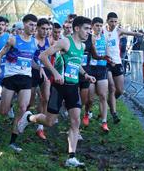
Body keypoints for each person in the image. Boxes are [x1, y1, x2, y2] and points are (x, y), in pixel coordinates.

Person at [17, 16, 96, 167]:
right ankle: (29, 118)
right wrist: (55, 73)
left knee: (75, 120)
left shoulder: (83, 46)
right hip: (59, 87)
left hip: (73, 87)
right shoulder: (65, 42)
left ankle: (71, 157)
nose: (88, 32)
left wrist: (85, 74)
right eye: (86, 28)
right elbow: (43, 56)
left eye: (90, 29)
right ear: (77, 28)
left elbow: (76, 63)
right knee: (49, 121)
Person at [0, 14, 39, 152]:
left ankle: (13, 141)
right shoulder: (13, 40)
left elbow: (31, 61)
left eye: (35, 25)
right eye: (30, 24)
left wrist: (42, 69)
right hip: (10, 77)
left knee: (22, 108)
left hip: (26, 78)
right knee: (4, 111)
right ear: (24, 24)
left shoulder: (34, 43)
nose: (33, 28)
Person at [103, 12, 143, 123]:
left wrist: (141, 35)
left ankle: (109, 102)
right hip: (106, 62)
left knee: (120, 91)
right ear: (107, 21)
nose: (114, 23)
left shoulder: (118, 31)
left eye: (115, 21)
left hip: (117, 62)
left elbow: (131, 33)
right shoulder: (102, 31)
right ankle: (114, 114)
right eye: (111, 21)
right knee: (111, 87)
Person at [85, 17, 111, 131]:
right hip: (90, 68)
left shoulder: (105, 38)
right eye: (97, 25)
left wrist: (110, 60)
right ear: (92, 26)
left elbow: (107, 51)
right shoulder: (88, 38)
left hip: (102, 68)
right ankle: (87, 112)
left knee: (103, 95)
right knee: (89, 98)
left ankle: (104, 122)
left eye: (101, 26)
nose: (99, 28)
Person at [29, 18, 53, 139]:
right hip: (33, 71)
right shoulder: (32, 41)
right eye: (43, 28)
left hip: (46, 72)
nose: (45, 31)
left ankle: (40, 127)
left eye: (48, 29)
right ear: (37, 28)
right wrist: (39, 68)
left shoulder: (49, 40)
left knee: (46, 98)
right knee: (30, 102)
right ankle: (24, 118)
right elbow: (29, 58)